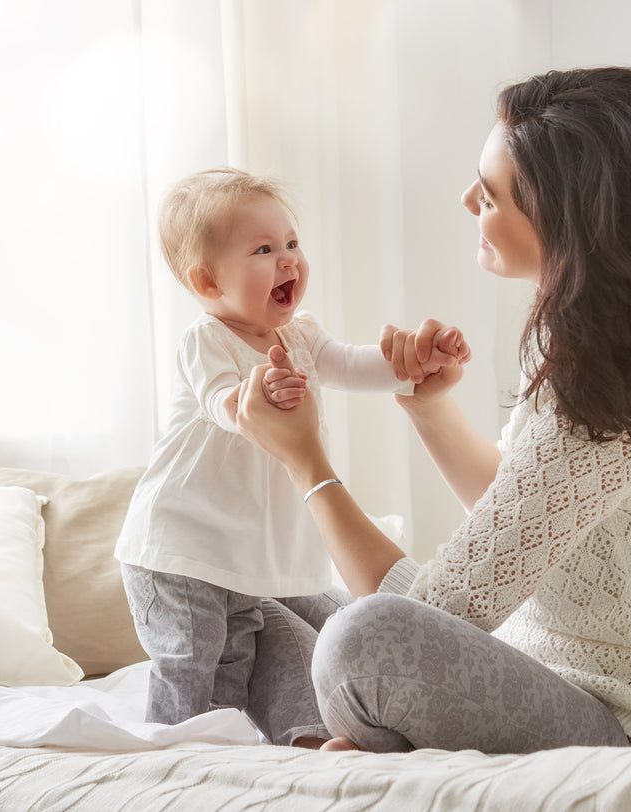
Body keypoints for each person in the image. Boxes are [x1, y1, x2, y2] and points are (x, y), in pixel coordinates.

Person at [234, 66, 631, 753]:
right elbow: (526, 501)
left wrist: (304, 461)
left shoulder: (610, 395)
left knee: (358, 638)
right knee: (288, 609)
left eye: (489, 194)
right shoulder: (623, 349)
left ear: (567, 224)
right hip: (570, 678)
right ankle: (368, 731)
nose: (465, 201)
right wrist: (428, 409)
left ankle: (368, 732)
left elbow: (434, 610)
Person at [114, 168, 469, 748]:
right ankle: (166, 762)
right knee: (190, 667)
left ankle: (230, 762)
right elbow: (222, 403)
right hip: (177, 548)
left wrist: (412, 361)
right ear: (207, 281)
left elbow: (353, 364)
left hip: (238, 557)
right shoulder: (206, 340)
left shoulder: (300, 337)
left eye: (292, 244)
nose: (288, 261)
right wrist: (256, 398)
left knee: (232, 669)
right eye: (263, 249)